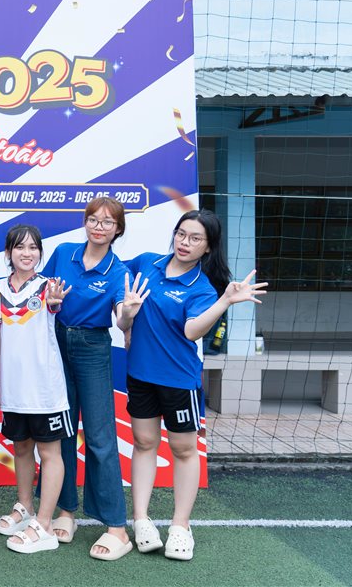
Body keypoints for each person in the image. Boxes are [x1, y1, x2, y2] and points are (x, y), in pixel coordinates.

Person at [118, 209, 266, 561]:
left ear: (208, 247)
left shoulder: (201, 288)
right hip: (139, 375)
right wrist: (126, 316)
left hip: (179, 381)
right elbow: (121, 308)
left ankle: (181, 526)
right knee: (144, 443)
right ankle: (141, 520)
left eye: (195, 238)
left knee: (184, 450)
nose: (185, 242)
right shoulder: (146, 263)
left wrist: (225, 301)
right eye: (181, 234)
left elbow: (191, 331)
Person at [40, 196, 132, 560]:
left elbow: (122, 318)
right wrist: (50, 301)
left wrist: (128, 315)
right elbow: (43, 296)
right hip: (57, 342)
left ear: (117, 229)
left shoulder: (118, 271)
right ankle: (66, 512)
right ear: (85, 222)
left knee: (99, 437)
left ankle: (117, 527)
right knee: (61, 430)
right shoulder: (64, 253)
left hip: (93, 347)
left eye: (107, 222)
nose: (98, 226)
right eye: (93, 219)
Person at [0, 224, 71, 555]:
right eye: (20, 247)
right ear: (9, 252)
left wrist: (53, 302)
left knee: (50, 453)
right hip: (13, 390)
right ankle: (25, 508)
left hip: (45, 390)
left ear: (40, 252)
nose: (27, 253)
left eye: (33, 247)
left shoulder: (48, 287)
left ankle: (44, 524)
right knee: (22, 448)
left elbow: (54, 306)